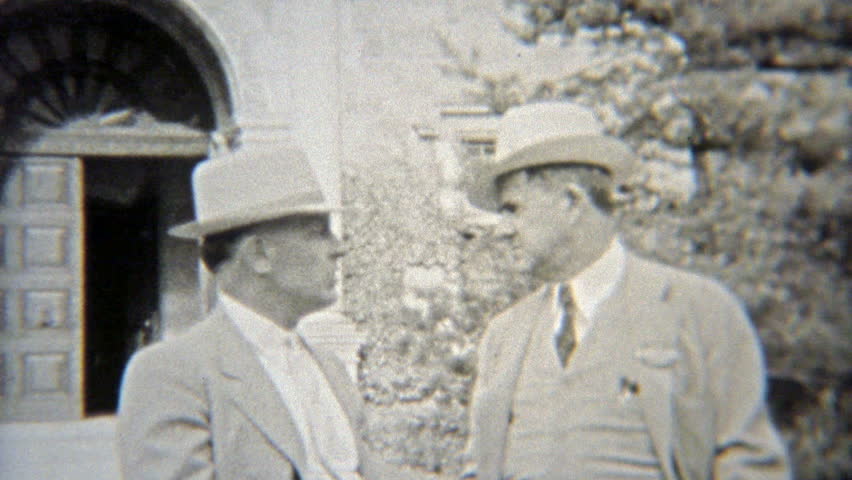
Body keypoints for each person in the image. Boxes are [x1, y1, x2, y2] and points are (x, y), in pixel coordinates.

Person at [462, 102, 791, 480]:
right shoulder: (504, 338)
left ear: (571, 201)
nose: (502, 230)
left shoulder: (699, 310)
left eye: (513, 209)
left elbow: (750, 466)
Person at [117, 147, 381, 480]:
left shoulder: (329, 368)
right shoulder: (171, 373)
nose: (339, 248)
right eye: (317, 232)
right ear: (259, 255)